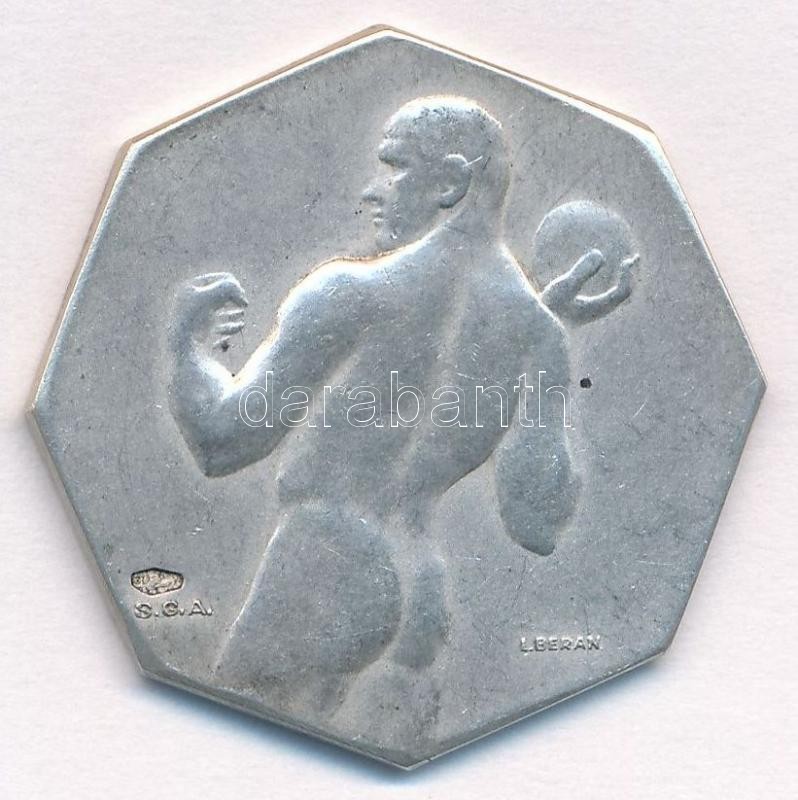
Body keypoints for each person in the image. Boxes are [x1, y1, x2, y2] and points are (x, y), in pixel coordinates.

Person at [167, 96, 635, 729]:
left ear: (449, 183)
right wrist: (547, 339)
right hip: (420, 590)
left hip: (320, 562)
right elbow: (536, 521)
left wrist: (185, 346)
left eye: (393, 167)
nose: (373, 189)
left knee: (232, 748)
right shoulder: (536, 333)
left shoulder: (349, 293)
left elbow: (223, 442)